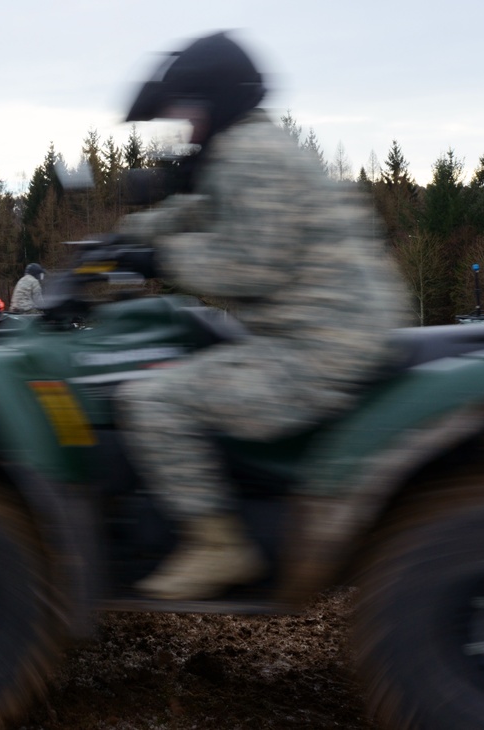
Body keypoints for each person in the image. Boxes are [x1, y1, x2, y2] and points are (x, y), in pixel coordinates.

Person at [112, 32, 411, 600]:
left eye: (186, 110)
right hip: (327, 334)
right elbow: (201, 209)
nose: (182, 124)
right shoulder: (247, 149)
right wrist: (127, 235)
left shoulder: (252, 156)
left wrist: (156, 256)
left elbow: (250, 267)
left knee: (152, 399)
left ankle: (217, 543)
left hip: (319, 350)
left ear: (216, 100)